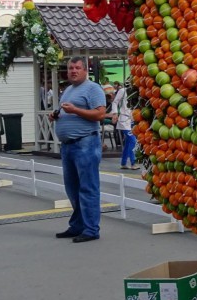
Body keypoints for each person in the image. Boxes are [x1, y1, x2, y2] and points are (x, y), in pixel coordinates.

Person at [51, 56, 106, 243]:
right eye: (70, 68)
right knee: (72, 189)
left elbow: (100, 114)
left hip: (85, 144)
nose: (73, 71)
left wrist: (75, 111)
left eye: (77, 68)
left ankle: (91, 229)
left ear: (85, 70)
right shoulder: (68, 90)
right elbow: (67, 111)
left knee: (88, 188)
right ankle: (78, 225)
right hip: (68, 146)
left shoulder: (93, 88)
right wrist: (57, 116)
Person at [110, 84, 139, 170]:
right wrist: (115, 113)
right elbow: (115, 102)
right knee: (133, 141)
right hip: (124, 120)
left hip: (133, 120)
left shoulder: (137, 91)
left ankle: (123, 163)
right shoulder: (123, 91)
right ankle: (133, 163)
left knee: (128, 142)